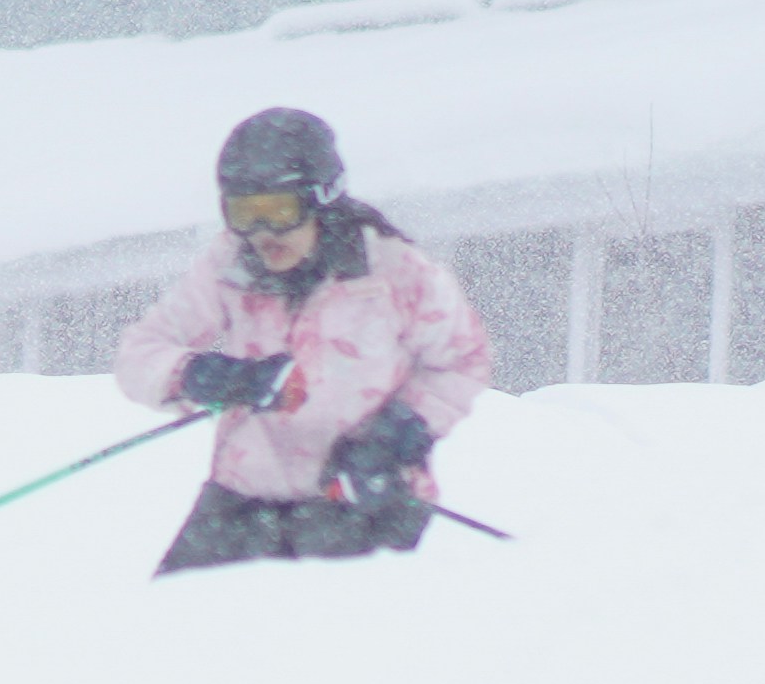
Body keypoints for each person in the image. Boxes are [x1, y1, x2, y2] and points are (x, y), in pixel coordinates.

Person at [120, 105, 491, 574]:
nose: (262, 233)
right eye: (243, 213)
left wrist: (395, 437)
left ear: (323, 198)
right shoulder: (228, 268)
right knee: (172, 629)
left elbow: (462, 361)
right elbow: (140, 353)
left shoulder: (395, 273)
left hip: (361, 499)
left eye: (279, 211)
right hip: (245, 502)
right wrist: (208, 375)